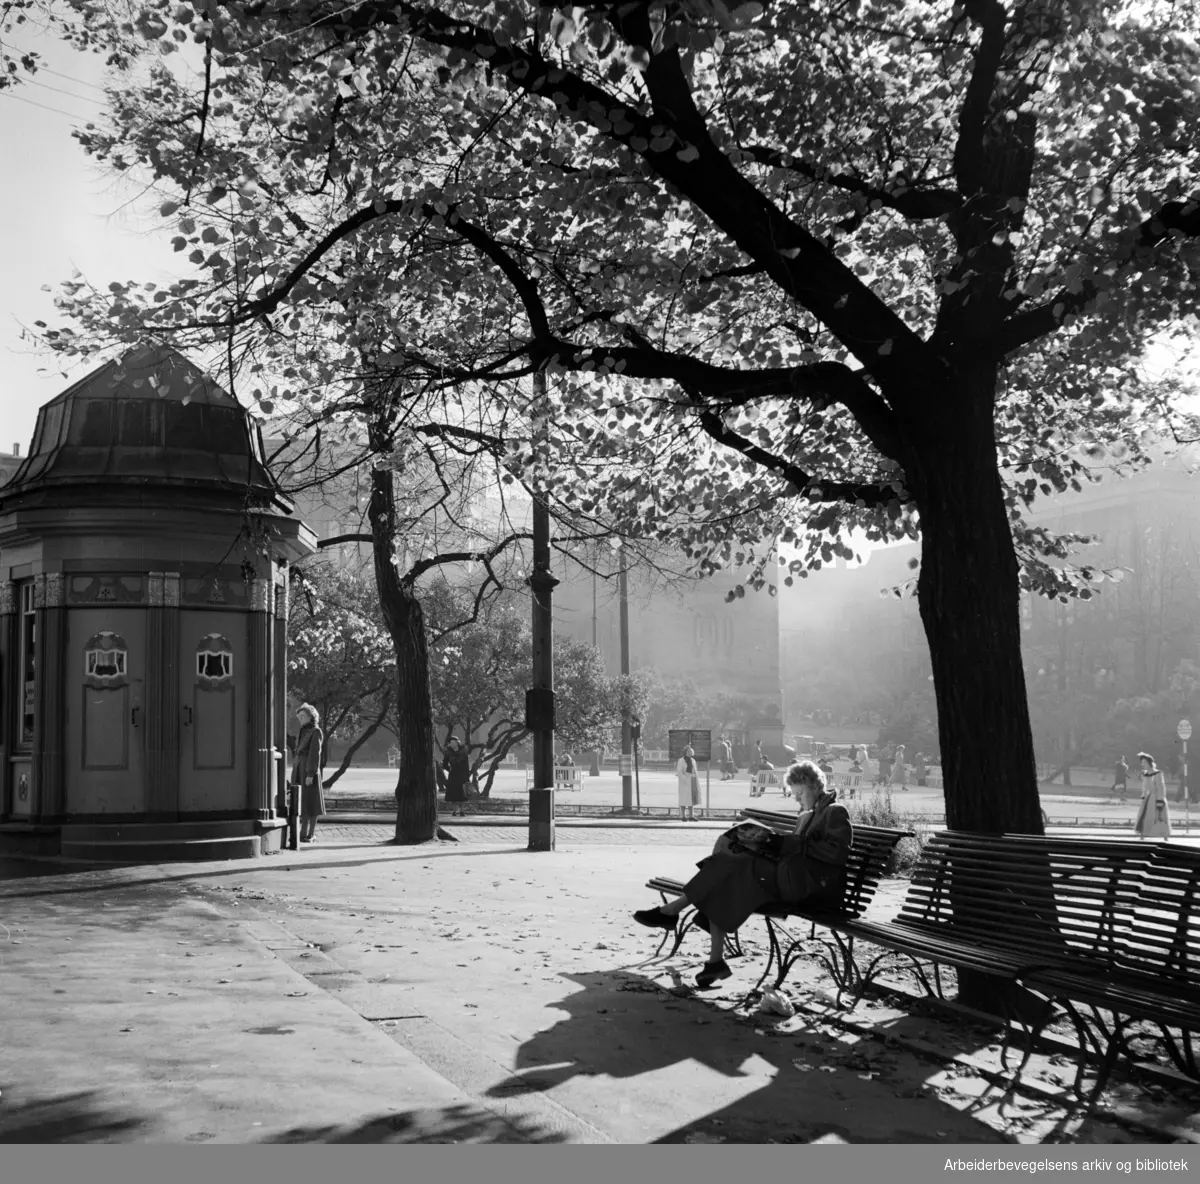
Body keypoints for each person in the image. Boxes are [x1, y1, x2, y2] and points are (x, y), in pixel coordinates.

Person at [633, 760, 852, 989]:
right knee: (729, 871)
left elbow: (836, 854)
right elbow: (798, 850)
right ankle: (714, 961)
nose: (796, 799)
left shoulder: (834, 812)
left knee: (729, 870)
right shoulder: (807, 815)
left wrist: (791, 843)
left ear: (814, 786)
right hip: (791, 880)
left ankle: (672, 912)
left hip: (813, 889)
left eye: (799, 793)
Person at [292, 703, 325, 844]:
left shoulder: (315, 731)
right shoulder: (303, 730)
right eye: (299, 716)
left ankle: (309, 834)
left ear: (311, 716)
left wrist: (310, 774)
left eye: (303, 716)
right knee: (302, 801)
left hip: (308, 770)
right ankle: (303, 833)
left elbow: (314, 754)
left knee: (311, 802)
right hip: (300, 768)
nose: (300, 718)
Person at [1133, 752, 1172, 839]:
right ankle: (1143, 835)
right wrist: (1143, 796)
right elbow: (1145, 786)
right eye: (1142, 763)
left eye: (1145, 762)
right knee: (1144, 816)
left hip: (1157, 798)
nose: (1143, 765)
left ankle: (1164, 836)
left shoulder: (1158, 773)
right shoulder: (1145, 774)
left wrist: (1160, 800)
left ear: (1149, 762)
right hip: (1148, 798)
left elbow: (1161, 788)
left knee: (1159, 817)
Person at [441, 735, 471, 818]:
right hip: (453, 774)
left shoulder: (464, 751)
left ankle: (462, 811)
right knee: (453, 794)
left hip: (462, 774)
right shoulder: (448, 752)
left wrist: (467, 776)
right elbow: (444, 764)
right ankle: (454, 811)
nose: (451, 743)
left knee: (462, 794)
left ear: (457, 742)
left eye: (452, 742)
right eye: (450, 742)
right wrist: (449, 769)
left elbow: (466, 765)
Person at [676, 745, 700, 821]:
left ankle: (691, 816)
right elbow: (679, 772)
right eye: (688, 751)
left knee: (691, 799)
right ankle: (683, 816)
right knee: (683, 799)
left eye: (691, 751)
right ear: (685, 752)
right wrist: (685, 779)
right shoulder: (681, 760)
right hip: (684, 782)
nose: (690, 753)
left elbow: (695, 770)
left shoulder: (693, 760)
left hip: (692, 781)